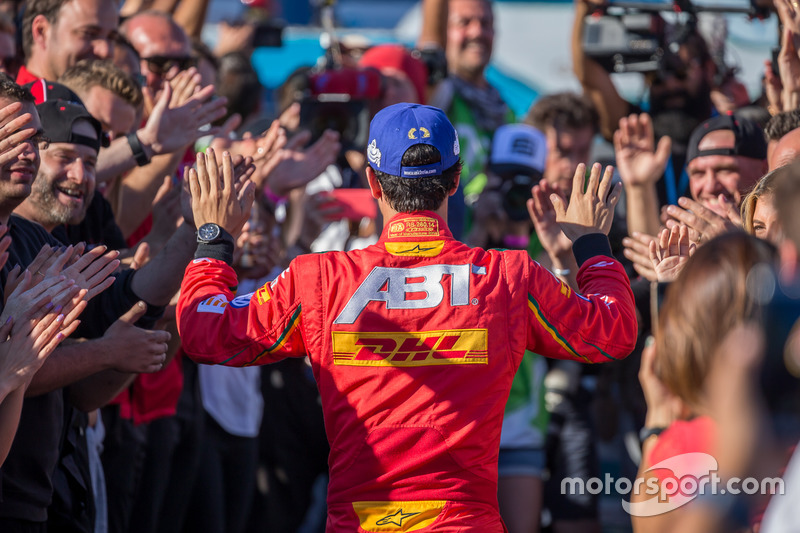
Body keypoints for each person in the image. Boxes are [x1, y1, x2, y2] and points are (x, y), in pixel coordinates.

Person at [176, 102, 638, 531]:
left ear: (374, 184)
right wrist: (591, 244)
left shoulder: (318, 279)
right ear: (455, 180)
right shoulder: (508, 277)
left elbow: (203, 329)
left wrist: (214, 239)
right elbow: (614, 330)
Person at [430, 0, 513, 238]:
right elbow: (430, 52)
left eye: (485, 23)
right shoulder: (438, 97)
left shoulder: (504, 109)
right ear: (443, 30)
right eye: (464, 23)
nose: (477, 32)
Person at [18, 0, 118, 84]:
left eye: (111, 37)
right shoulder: (16, 106)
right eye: (89, 33)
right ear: (41, 31)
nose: (105, 51)